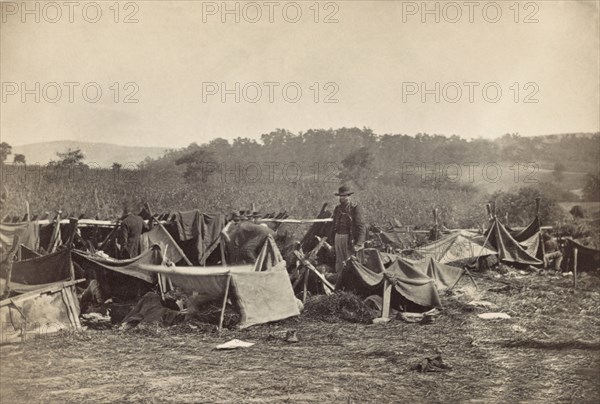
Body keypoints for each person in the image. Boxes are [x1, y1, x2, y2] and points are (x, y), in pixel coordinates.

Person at [331, 185, 366, 274]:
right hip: (338, 237)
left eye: (344, 196)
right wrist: (332, 242)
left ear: (348, 196)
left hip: (349, 239)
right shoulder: (337, 208)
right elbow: (333, 225)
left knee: (351, 262)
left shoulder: (355, 208)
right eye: (341, 196)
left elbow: (361, 226)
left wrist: (359, 243)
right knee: (339, 262)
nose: (342, 198)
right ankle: (339, 281)